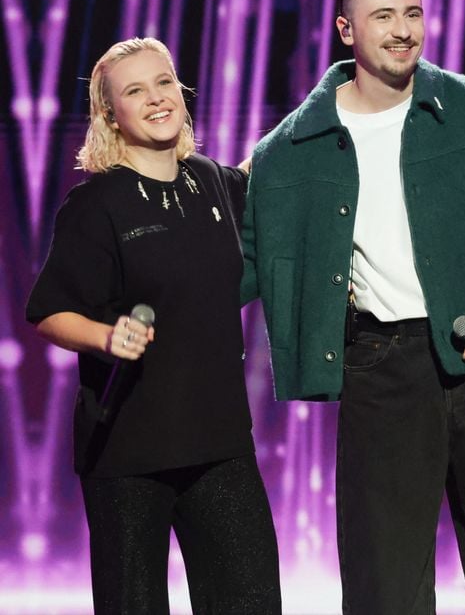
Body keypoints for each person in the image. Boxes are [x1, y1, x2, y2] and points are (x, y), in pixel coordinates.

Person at [241, 0, 465, 614]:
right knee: (383, 583)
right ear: (346, 30)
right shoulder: (292, 147)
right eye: (384, 16)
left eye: (413, 13)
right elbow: (241, 261)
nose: (403, 30)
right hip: (380, 368)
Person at [26, 37, 281, 615]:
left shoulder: (213, 181)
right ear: (109, 113)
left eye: (164, 83)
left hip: (220, 444)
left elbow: (267, 171)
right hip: (127, 452)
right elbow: (49, 311)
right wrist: (105, 336)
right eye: (135, 91)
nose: (156, 99)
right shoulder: (95, 205)